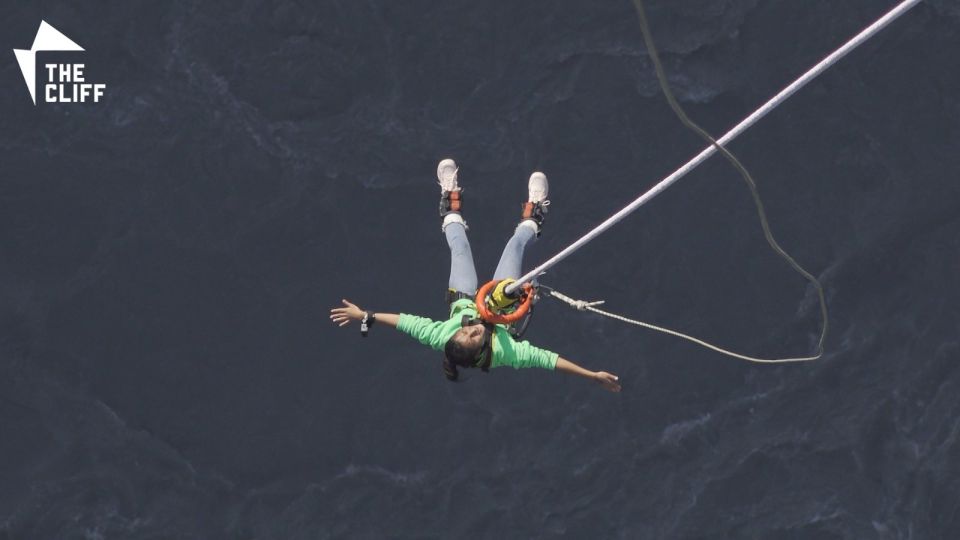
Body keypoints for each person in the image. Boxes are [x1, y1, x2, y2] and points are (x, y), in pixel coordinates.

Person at [330, 159, 621, 392]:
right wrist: (590, 375)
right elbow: (547, 360)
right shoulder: (504, 353)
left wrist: (365, 314)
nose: (473, 329)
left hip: (465, 298)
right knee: (515, 245)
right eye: (474, 336)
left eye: (464, 332)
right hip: (502, 305)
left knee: (459, 245)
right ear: (480, 350)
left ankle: (449, 196)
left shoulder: (442, 337)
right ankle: (535, 213)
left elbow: (405, 322)